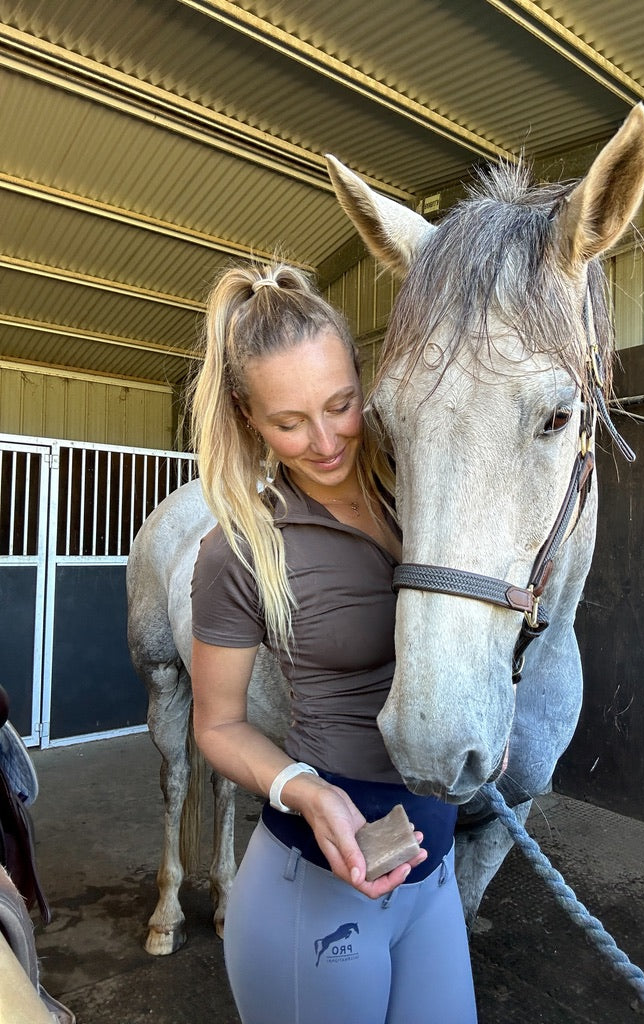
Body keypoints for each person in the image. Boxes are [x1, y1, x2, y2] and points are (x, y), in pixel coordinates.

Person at [189, 261, 477, 1024]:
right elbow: (215, 725)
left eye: (341, 404)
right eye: (289, 422)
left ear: (362, 377)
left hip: (433, 870)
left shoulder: (421, 496)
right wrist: (306, 791)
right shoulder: (241, 550)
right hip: (313, 884)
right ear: (249, 418)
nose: (323, 441)